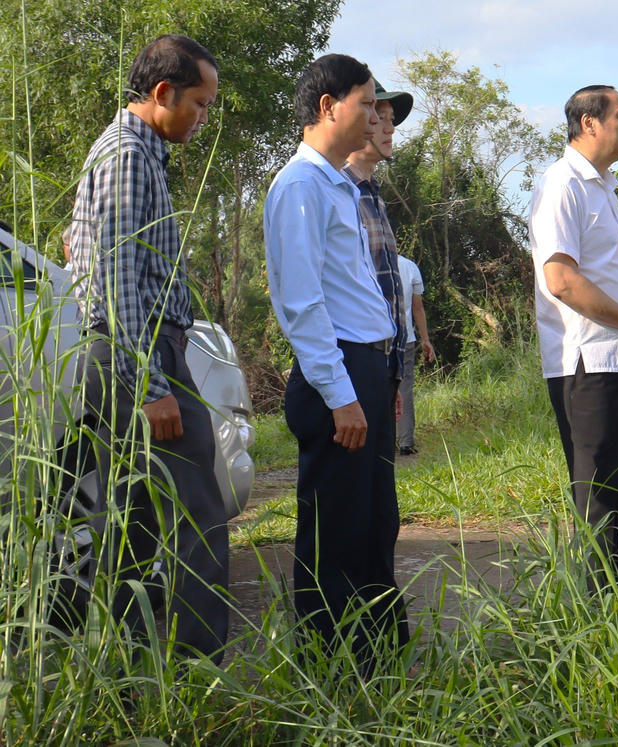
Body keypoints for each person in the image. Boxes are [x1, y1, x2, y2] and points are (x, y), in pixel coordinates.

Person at [64, 34, 227, 662]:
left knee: (128, 523)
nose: (203, 118)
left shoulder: (132, 152)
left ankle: (129, 674)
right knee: (197, 516)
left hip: (120, 355)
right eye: (200, 104)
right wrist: (155, 385)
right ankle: (198, 669)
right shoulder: (128, 155)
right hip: (139, 355)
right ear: (163, 94)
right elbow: (115, 279)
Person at [264, 54, 407, 672]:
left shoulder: (339, 185)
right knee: (335, 531)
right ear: (329, 107)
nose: (377, 115)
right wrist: (340, 392)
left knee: (375, 519)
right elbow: (301, 304)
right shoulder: (299, 186)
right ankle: (333, 666)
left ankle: (375, 654)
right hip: (338, 372)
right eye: (368, 101)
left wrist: (377, 380)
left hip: (365, 369)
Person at [529, 85, 618, 590]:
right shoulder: (562, 185)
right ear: (589, 123)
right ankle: (594, 624)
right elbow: (561, 280)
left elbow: (607, 274)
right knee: (600, 499)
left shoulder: (603, 186)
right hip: (589, 364)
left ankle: (611, 611)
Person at [337, 78, 417, 454]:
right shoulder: (336, 192)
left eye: (390, 118)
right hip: (350, 369)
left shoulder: (374, 196)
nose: (387, 127)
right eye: (377, 114)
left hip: (381, 372)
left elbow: (386, 296)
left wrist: (393, 378)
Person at [396, 252, 434, 455]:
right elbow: (417, 307)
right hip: (405, 339)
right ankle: (405, 442)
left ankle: (379, 440)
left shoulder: (366, 262)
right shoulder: (409, 266)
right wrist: (425, 339)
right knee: (404, 388)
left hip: (375, 339)